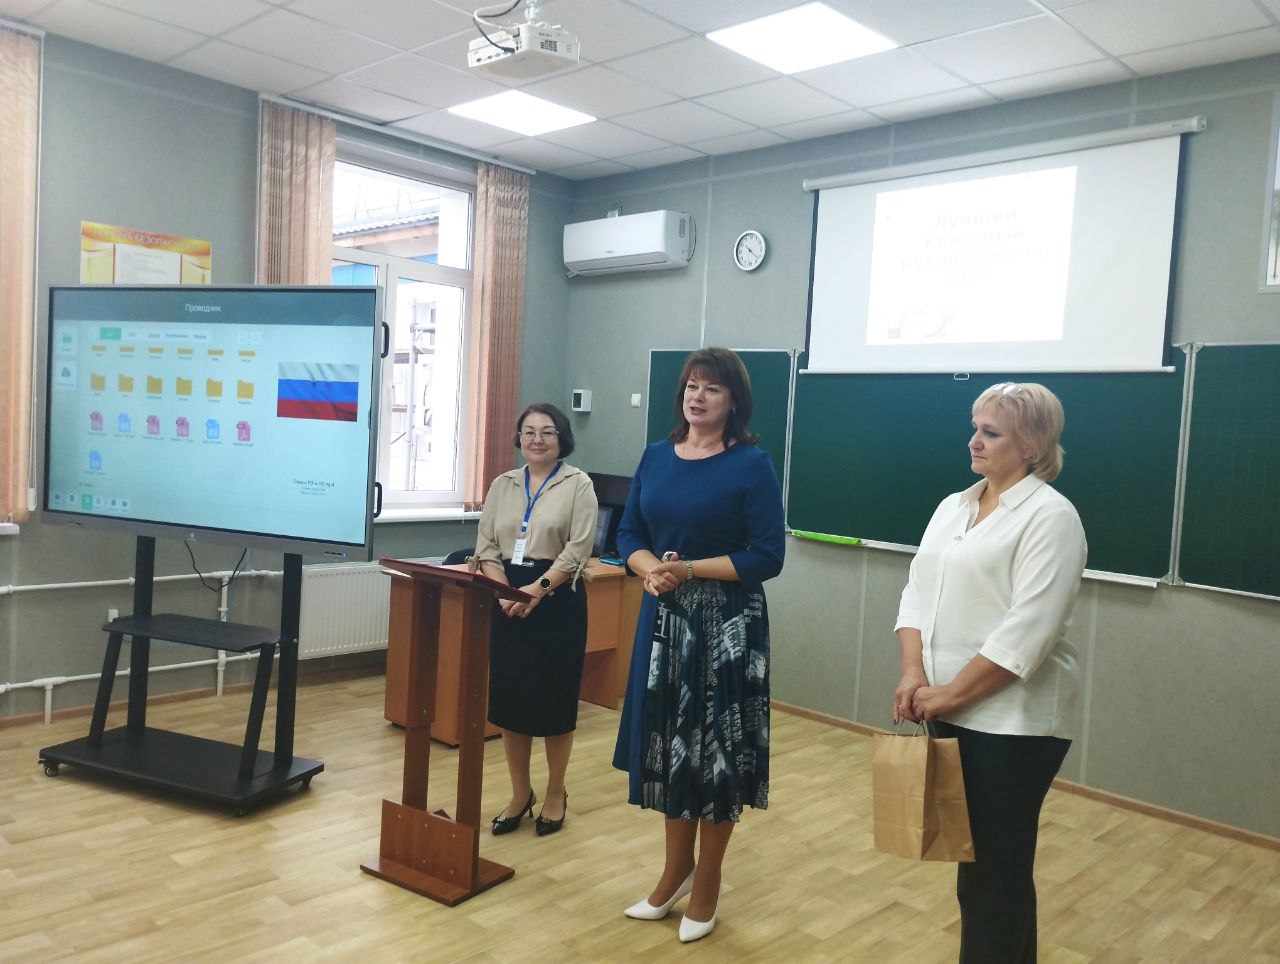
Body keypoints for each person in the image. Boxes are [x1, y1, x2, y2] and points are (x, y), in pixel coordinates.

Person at [894, 382, 1087, 963]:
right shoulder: (953, 506)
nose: (974, 441)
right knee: (979, 871)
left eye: (991, 432)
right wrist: (912, 674)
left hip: (1013, 724)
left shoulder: (1051, 517)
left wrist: (950, 694)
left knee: (995, 876)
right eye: (975, 427)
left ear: (1031, 446)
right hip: (945, 707)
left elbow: (1028, 631)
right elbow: (916, 592)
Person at [612, 347, 785, 943]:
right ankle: (674, 872)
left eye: (711, 388)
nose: (697, 396)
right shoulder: (656, 456)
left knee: (716, 757)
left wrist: (688, 570)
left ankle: (707, 880)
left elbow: (767, 556)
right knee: (669, 750)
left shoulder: (752, 465)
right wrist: (650, 571)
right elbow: (629, 532)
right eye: (690, 385)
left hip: (727, 625)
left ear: (734, 401)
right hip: (664, 617)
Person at [472, 402, 597, 837]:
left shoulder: (578, 484)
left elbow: (578, 549)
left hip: (557, 602)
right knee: (511, 703)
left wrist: (537, 590)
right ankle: (520, 793)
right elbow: (486, 547)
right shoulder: (503, 484)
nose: (537, 439)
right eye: (529, 431)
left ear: (562, 438)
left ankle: (555, 793)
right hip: (507, 600)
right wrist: (505, 591)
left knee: (554, 703)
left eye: (547, 432)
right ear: (519, 438)